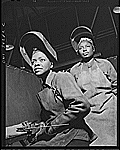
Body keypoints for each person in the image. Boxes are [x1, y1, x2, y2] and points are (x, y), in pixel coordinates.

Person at [18, 31, 97, 147]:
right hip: (59, 136)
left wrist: (52, 126)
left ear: (51, 64)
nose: (36, 64)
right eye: (34, 61)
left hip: (75, 134)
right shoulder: (43, 90)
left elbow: (82, 105)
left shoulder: (61, 77)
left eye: (42, 60)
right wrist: (36, 127)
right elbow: (49, 119)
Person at [70, 26, 117, 146]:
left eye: (87, 46)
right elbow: (73, 93)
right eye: (81, 48)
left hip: (109, 107)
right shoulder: (74, 70)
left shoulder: (104, 64)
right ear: (78, 51)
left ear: (93, 48)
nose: (84, 50)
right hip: (90, 112)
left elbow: (116, 85)